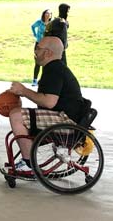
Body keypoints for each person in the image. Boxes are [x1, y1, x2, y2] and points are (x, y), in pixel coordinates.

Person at [7, 36, 87, 172]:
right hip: (67, 117)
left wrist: (24, 91)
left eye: (38, 48)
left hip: (66, 120)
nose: (35, 52)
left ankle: (28, 162)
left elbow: (49, 102)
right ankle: (28, 157)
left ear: (48, 52)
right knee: (20, 114)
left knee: (16, 115)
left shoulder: (54, 69)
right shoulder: (56, 68)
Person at [30, 9, 52, 86]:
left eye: (50, 14)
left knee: (46, 63)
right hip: (39, 44)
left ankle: (43, 80)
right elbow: (32, 26)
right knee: (37, 62)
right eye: (47, 13)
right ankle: (34, 80)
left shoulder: (51, 24)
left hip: (47, 45)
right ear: (44, 14)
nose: (48, 15)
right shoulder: (39, 22)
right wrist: (35, 35)